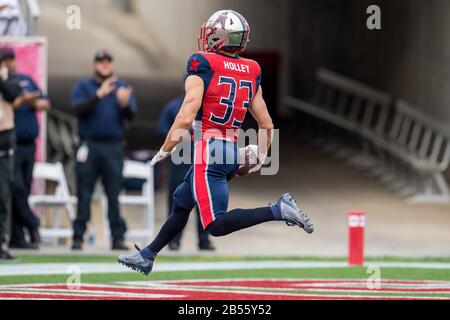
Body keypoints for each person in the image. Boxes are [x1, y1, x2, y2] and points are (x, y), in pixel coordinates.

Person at [118, 10, 314, 275]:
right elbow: (266, 124)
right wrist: (257, 159)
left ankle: (277, 210)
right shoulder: (251, 69)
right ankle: (148, 254)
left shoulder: (202, 63)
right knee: (182, 202)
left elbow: (187, 114)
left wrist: (165, 148)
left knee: (215, 225)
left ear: (220, 37)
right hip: (230, 149)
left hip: (208, 151)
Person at [71, 50, 137, 251]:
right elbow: (77, 110)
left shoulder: (122, 87)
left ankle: (117, 238)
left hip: (113, 147)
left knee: (113, 194)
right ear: (94, 65)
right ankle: (77, 237)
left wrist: (124, 104)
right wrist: (99, 95)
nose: (105, 64)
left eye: (108, 61)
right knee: (84, 193)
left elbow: (130, 116)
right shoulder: (84, 86)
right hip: (90, 146)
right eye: (101, 61)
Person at [0, 47, 49, 250]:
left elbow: (45, 102)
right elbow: (12, 101)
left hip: (29, 144)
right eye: (5, 59)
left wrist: (35, 101)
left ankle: (17, 237)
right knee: (15, 188)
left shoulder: (26, 79)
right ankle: (32, 223)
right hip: (11, 142)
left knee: (23, 190)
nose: (9, 62)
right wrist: (24, 100)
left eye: (11, 58)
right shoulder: (6, 81)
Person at [156, 95, 214, 251]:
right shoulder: (175, 107)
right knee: (178, 200)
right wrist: (179, 135)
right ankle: (173, 240)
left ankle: (204, 240)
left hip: (204, 159)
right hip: (180, 160)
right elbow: (162, 131)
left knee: (204, 200)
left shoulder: (212, 107)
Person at [0, 49, 21, 259]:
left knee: (3, 195)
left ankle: (0, 244)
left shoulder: (12, 77)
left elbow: (12, 94)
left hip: (3, 143)